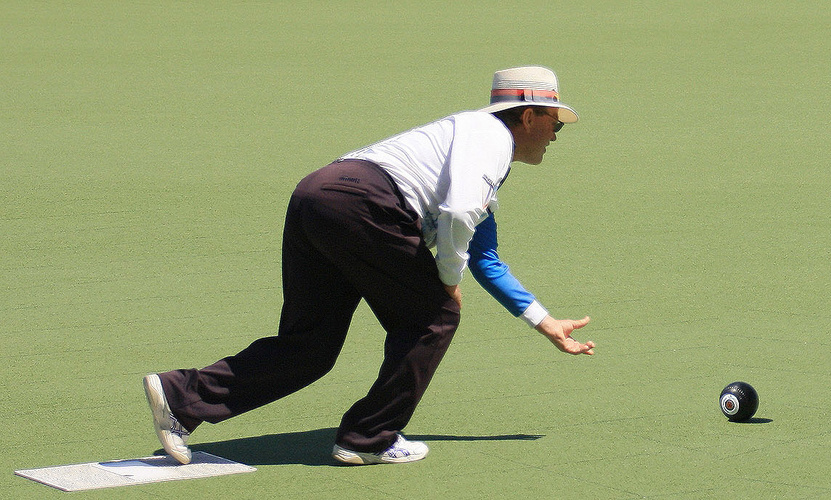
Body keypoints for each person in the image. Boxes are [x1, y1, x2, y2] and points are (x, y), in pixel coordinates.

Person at [143, 66, 596, 466]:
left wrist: (543, 321)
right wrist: (447, 278)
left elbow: (485, 256)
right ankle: (369, 438)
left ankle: (183, 398)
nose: (556, 134)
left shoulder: (469, 150)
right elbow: (459, 216)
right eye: (554, 122)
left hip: (317, 196)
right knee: (434, 317)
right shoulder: (491, 137)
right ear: (529, 115)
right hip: (366, 204)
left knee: (312, 345)